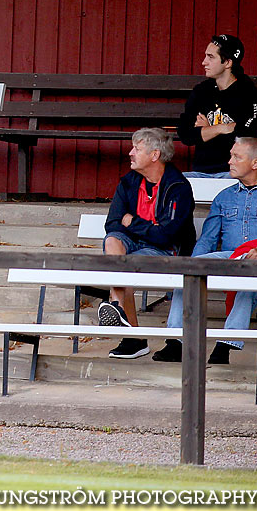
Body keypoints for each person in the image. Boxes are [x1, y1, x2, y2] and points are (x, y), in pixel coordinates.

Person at [151, 137, 257, 365]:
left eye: (237, 157)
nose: (229, 162)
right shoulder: (224, 197)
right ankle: (176, 341)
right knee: (187, 273)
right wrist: (195, 265)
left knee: (250, 278)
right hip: (228, 257)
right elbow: (208, 239)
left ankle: (226, 344)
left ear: (255, 164)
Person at [94, 127, 196, 360]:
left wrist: (133, 222)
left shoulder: (177, 187)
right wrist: (142, 227)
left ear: (154, 155)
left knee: (125, 268)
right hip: (133, 245)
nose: (130, 153)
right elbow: (112, 223)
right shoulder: (129, 182)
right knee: (112, 242)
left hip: (165, 251)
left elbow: (166, 236)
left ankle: (134, 339)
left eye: (137, 149)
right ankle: (117, 307)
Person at [177, 34, 257, 177]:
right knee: (176, 185)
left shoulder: (249, 93)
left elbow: (246, 137)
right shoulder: (201, 91)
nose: (204, 62)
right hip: (200, 172)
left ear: (228, 62)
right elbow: (185, 135)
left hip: (233, 174)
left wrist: (206, 131)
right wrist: (222, 128)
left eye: (211, 57)